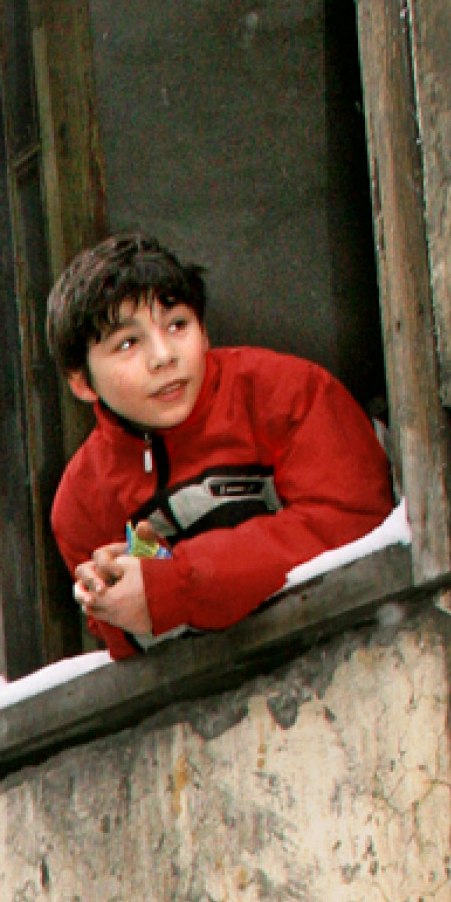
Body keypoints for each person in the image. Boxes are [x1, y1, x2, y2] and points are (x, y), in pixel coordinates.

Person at [46, 232, 396, 659]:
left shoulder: (288, 394)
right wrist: (120, 591)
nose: (163, 356)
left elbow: (353, 526)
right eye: (128, 343)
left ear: (204, 331)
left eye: (177, 325)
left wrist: (173, 582)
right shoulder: (82, 501)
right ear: (81, 382)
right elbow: (131, 646)